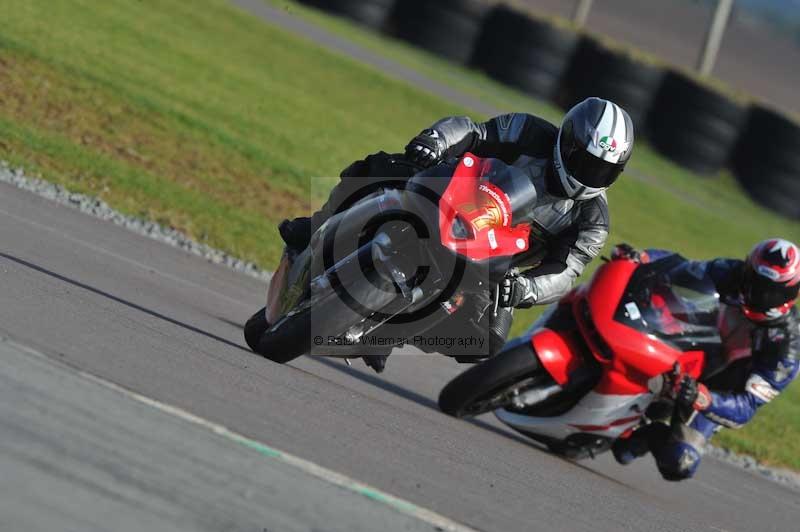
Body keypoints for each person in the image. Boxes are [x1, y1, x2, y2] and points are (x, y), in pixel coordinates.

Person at [280, 98, 635, 371]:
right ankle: (314, 226)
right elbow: (473, 132)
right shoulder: (529, 131)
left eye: (604, 170)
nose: (591, 174)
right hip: (454, 198)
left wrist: (525, 288)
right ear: (567, 140)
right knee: (381, 168)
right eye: (586, 162)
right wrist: (434, 141)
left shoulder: (593, 220)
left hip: (494, 262)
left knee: (484, 342)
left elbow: (566, 271)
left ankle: (386, 334)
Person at [611, 239, 800, 481]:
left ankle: (646, 435)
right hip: (692, 346)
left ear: (791, 293)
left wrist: (703, 397)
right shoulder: (730, 272)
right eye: (753, 280)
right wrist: (643, 258)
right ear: (747, 268)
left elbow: (746, 407)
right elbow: (677, 268)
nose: (757, 293)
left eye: (770, 290)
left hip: (716, 391)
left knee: (678, 461)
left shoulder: (787, 347)